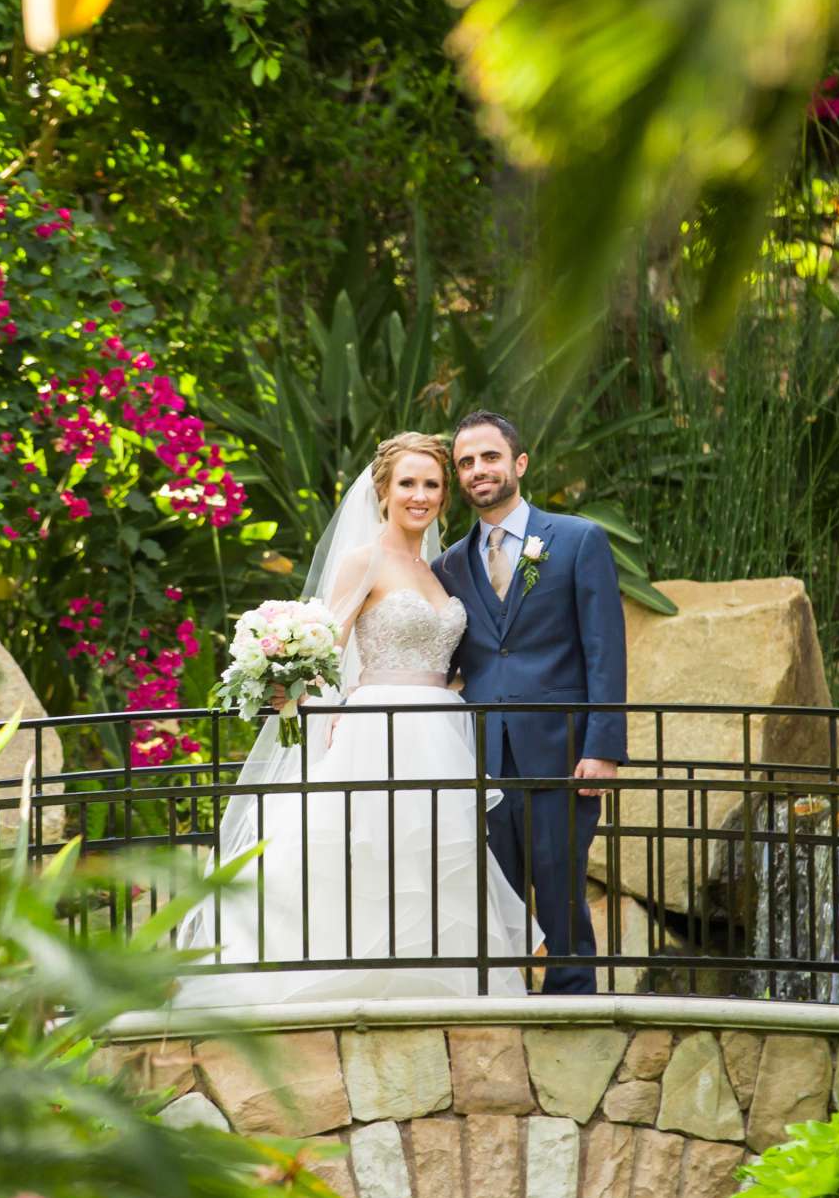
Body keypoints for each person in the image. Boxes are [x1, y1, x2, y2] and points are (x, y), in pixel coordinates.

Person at [173, 433, 537, 1004]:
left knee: (434, 864)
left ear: (445, 495)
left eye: (432, 485)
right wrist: (312, 708)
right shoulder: (362, 561)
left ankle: (434, 988)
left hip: (441, 730)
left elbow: (449, 660)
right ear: (384, 491)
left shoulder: (441, 571)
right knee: (362, 854)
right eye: (408, 484)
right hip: (379, 729)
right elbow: (322, 654)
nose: (421, 496)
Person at [432, 410, 627, 995]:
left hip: (561, 749)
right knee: (496, 885)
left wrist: (603, 748)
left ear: (518, 463)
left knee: (561, 880)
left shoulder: (576, 539)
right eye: (465, 463)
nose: (477, 471)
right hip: (483, 754)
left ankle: (573, 999)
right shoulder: (448, 566)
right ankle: (502, 998)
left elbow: (604, 650)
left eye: (489, 457)